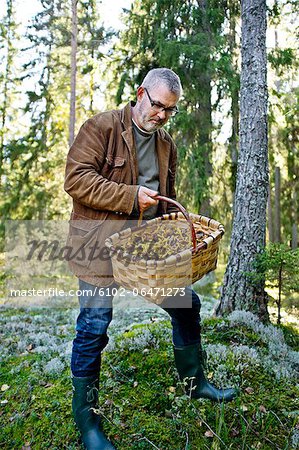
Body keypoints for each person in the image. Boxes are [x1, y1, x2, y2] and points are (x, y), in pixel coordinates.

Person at [64, 68, 237, 450]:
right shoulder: (102, 127)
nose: (161, 115)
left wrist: (173, 239)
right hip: (96, 247)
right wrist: (129, 195)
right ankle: (87, 423)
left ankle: (196, 383)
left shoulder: (166, 144)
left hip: (144, 253)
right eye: (157, 105)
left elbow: (164, 198)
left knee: (187, 304)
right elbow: (76, 179)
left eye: (169, 110)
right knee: (94, 326)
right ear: (140, 94)